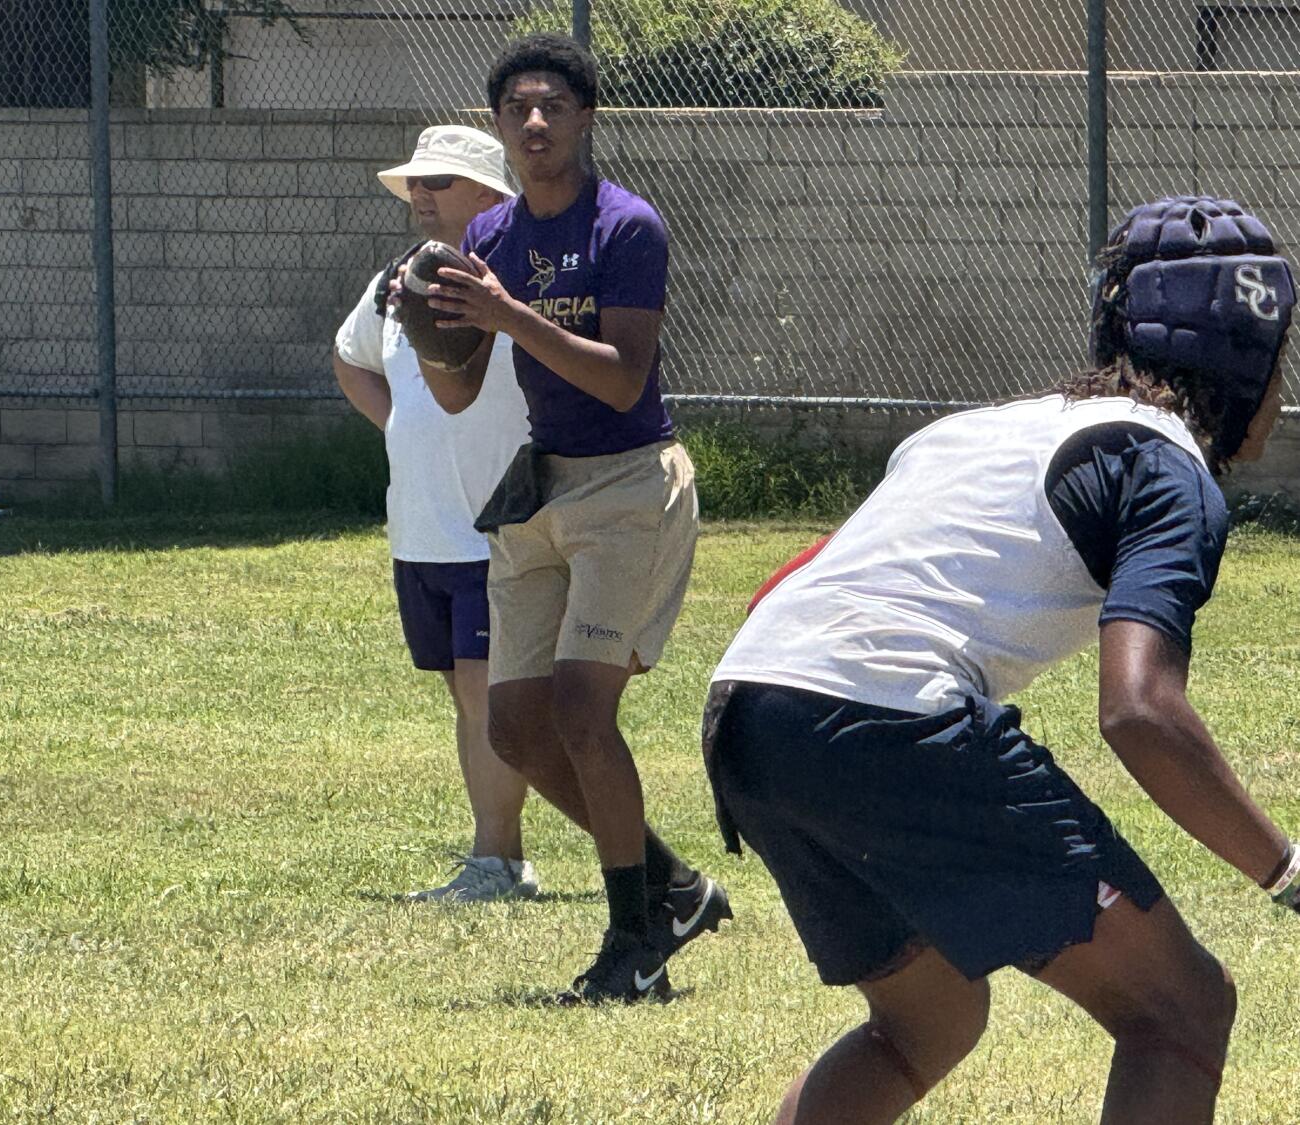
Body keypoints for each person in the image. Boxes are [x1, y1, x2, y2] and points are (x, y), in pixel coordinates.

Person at [703, 196, 1298, 1124]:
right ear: (1248, 361)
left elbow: (801, 584)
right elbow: (1139, 709)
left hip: (748, 711)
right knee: (1180, 1008)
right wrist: (1286, 871)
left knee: (927, 1019)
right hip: (882, 713)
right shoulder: (1165, 465)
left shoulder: (983, 427)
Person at [411, 34, 728, 1003]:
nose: (536, 122)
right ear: (499, 124)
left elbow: (624, 379)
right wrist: (425, 328)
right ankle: (673, 887)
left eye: (553, 105)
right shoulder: (489, 235)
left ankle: (634, 939)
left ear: (585, 118)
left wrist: (507, 314)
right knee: (516, 728)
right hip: (541, 489)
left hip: (628, 485)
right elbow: (460, 392)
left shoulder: (627, 227)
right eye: (518, 109)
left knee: (584, 712)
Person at [333, 125, 540, 901]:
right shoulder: (399, 280)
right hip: (420, 529)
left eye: (439, 181)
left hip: (496, 530)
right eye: (415, 182)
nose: (420, 193)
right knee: (467, 695)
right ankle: (501, 855)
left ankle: (498, 861)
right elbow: (349, 357)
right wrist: (400, 425)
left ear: (488, 194)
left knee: (491, 697)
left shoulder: (518, 279)